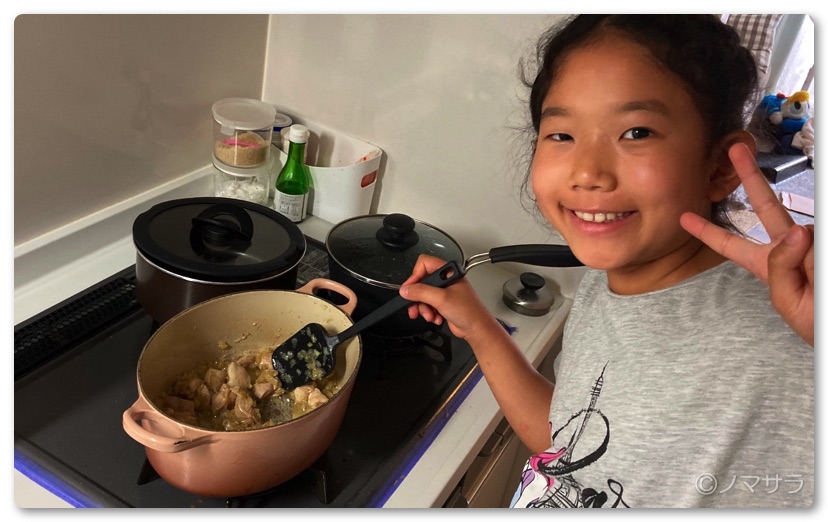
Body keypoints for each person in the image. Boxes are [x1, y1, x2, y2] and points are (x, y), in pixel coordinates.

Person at [399, 14, 813, 508]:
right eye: (561, 135)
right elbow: (570, 448)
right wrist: (479, 328)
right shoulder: (606, 282)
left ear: (721, 166)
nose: (588, 172)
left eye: (636, 132)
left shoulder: (784, 332)